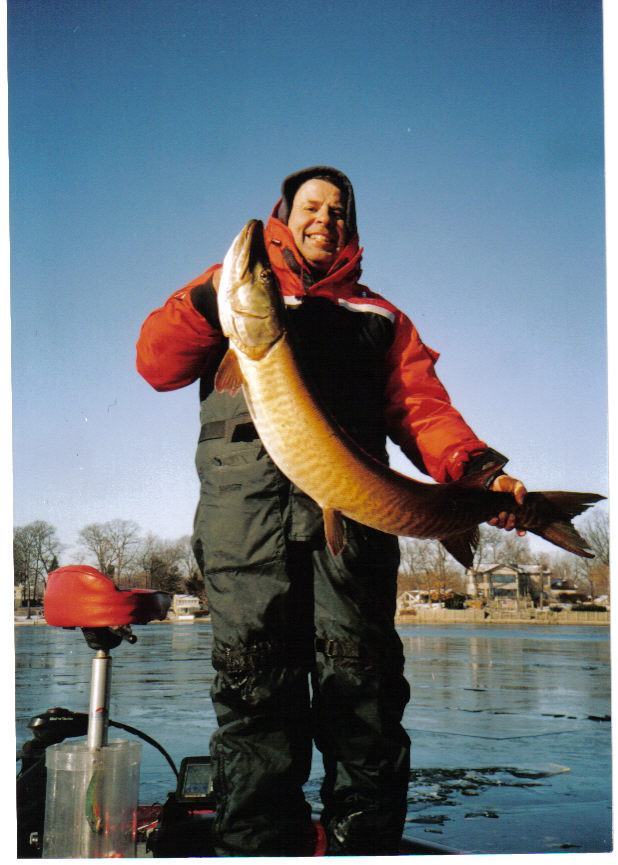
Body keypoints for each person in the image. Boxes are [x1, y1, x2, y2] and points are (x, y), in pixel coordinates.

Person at [136, 166, 526, 856]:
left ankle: (364, 846)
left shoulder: (379, 317)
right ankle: (259, 847)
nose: (325, 218)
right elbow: (156, 363)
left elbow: (421, 409)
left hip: (355, 523)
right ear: (287, 216)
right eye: (311, 207)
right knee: (254, 687)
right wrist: (208, 297)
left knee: (362, 686)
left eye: (339, 210)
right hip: (244, 524)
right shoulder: (234, 294)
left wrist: (478, 474)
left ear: (352, 227)